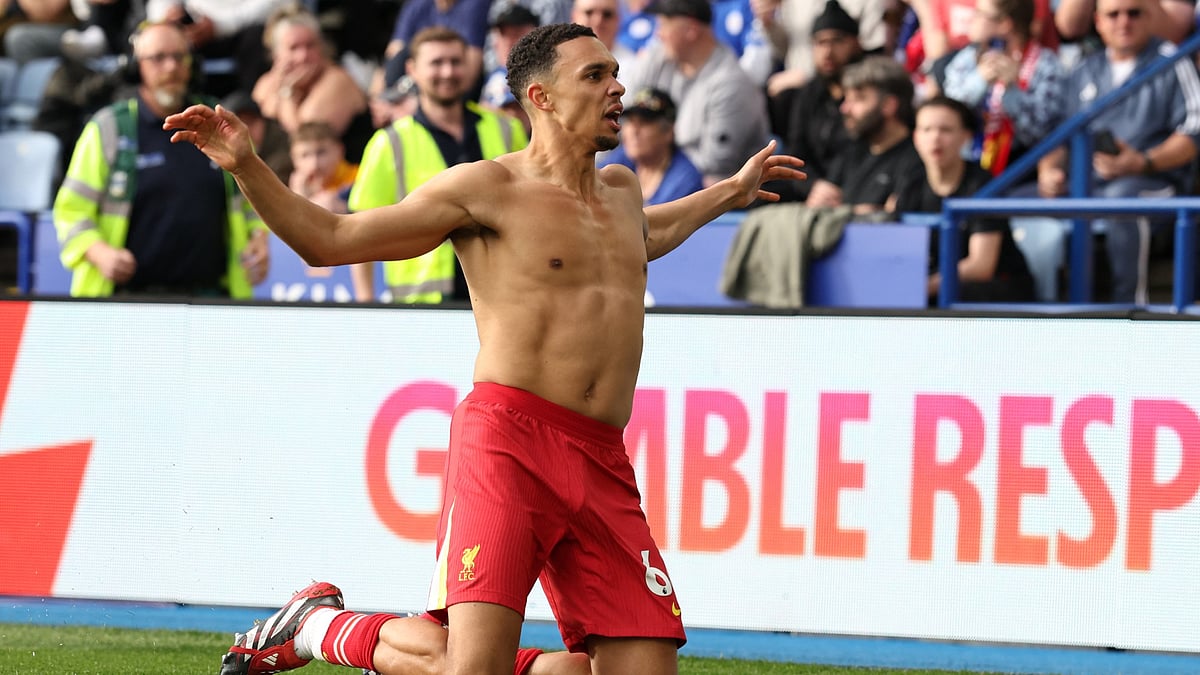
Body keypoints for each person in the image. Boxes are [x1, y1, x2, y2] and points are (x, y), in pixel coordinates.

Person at [166, 22, 804, 675]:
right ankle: (321, 627)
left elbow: (641, 235)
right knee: (472, 668)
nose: (617, 88)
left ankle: (344, 628)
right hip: (510, 443)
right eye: (595, 76)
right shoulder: (484, 188)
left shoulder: (621, 191)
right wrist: (247, 165)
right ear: (542, 97)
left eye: (615, 72)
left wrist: (729, 193)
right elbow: (329, 239)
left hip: (602, 457)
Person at [53, 20, 268, 297]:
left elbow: (257, 198)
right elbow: (70, 211)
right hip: (126, 300)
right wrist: (98, 252)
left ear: (192, 63)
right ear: (136, 66)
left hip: (211, 300)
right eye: (158, 58)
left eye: (179, 56)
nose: (170, 67)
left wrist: (259, 238)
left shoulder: (220, 124)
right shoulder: (108, 128)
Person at [347, 26, 529, 304]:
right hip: (422, 306)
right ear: (412, 70)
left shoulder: (506, 129)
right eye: (436, 63)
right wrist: (365, 302)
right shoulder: (389, 143)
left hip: (503, 297)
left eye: (455, 62)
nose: (447, 72)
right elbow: (360, 228)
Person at [1037, 0, 1200, 304]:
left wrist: (1142, 162)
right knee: (1014, 200)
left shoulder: (1172, 60)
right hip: (1088, 183)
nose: (1123, 22)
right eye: (1113, 15)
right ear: (1098, 22)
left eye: (1133, 13)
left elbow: (1193, 132)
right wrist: (1049, 171)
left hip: (1156, 182)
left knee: (1122, 198)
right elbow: (1058, 137)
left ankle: (1130, 309)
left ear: (1149, 17)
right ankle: (1037, 307)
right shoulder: (1085, 69)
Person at [894, 96, 1035, 302]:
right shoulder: (910, 182)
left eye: (946, 130)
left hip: (994, 291)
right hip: (935, 285)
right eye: (926, 129)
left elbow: (981, 267)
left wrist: (923, 287)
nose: (935, 138)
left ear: (966, 136)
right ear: (916, 137)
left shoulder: (984, 185)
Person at [623, 0, 770, 185]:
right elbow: (624, 117)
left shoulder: (731, 83)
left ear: (691, 30)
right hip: (654, 174)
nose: (658, 34)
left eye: (664, 25)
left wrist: (653, 147)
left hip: (713, 189)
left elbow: (715, 166)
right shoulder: (658, 59)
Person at [941, 0, 1066, 176]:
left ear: (1005, 24)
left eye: (980, 13)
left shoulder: (1046, 65)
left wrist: (1012, 90)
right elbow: (947, 115)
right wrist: (979, 80)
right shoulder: (968, 58)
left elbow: (1040, 133)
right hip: (966, 167)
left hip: (1021, 171)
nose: (972, 18)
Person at [769, 0, 862, 202]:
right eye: (821, 43)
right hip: (812, 190)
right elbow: (796, 150)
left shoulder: (867, 91)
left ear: (855, 43)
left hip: (856, 188)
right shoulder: (809, 94)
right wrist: (812, 186)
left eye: (837, 41)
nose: (828, 52)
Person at [251, 5, 370, 158]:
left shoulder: (337, 80)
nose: (303, 56)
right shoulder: (267, 82)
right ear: (276, 54)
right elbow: (258, 132)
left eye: (310, 45)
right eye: (293, 48)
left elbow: (305, 143)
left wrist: (287, 94)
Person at [809, 55, 921, 214]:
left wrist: (843, 213)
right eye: (846, 98)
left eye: (858, 99)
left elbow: (892, 220)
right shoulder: (850, 150)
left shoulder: (915, 160)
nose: (845, 108)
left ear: (889, 105)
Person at [599, 87, 703, 204]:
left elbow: (660, 216)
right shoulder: (622, 157)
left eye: (644, 123)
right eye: (630, 121)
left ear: (668, 132)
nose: (634, 131)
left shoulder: (685, 179)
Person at [288, 120, 356, 214]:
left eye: (321, 152)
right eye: (305, 155)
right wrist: (298, 198)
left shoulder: (360, 178)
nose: (314, 164)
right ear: (293, 159)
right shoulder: (294, 190)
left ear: (340, 150)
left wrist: (346, 209)